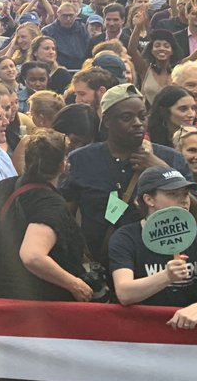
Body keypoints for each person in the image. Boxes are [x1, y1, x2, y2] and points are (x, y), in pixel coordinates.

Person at [63, 83, 187, 263]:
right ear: (106, 121)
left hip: (159, 267)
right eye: (126, 117)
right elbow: (66, 216)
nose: (137, 123)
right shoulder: (82, 159)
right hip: (99, 264)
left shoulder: (172, 158)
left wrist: (162, 170)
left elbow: (195, 214)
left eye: (142, 116)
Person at [0, 130, 92, 302]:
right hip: (41, 303)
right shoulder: (51, 203)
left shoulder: (4, 187)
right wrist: (75, 284)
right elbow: (32, 256)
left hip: (5, 294)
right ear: (63, 165)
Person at [110, 167, 197, 329]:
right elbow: (124, 293)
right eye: (173, 194)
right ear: (149, 199)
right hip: (140, 332)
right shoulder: (126, 238)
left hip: (188, 331)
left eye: (185, 194)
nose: (184, 200)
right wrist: (166, 276)